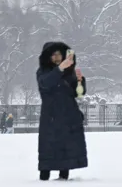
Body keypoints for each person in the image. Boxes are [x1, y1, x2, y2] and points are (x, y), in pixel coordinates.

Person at [36, 42, 88, 181]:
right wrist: (59, 69)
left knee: (67, 148)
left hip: (69, 115)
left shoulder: (69, 72)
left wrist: (80, 82)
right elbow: (46, 84)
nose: (57, 57)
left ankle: (64, 177)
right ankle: (44, 178)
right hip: (51, 117)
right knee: (49, 148)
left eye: (59, 54)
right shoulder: (43, 72)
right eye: (53, 54)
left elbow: (78, 94)